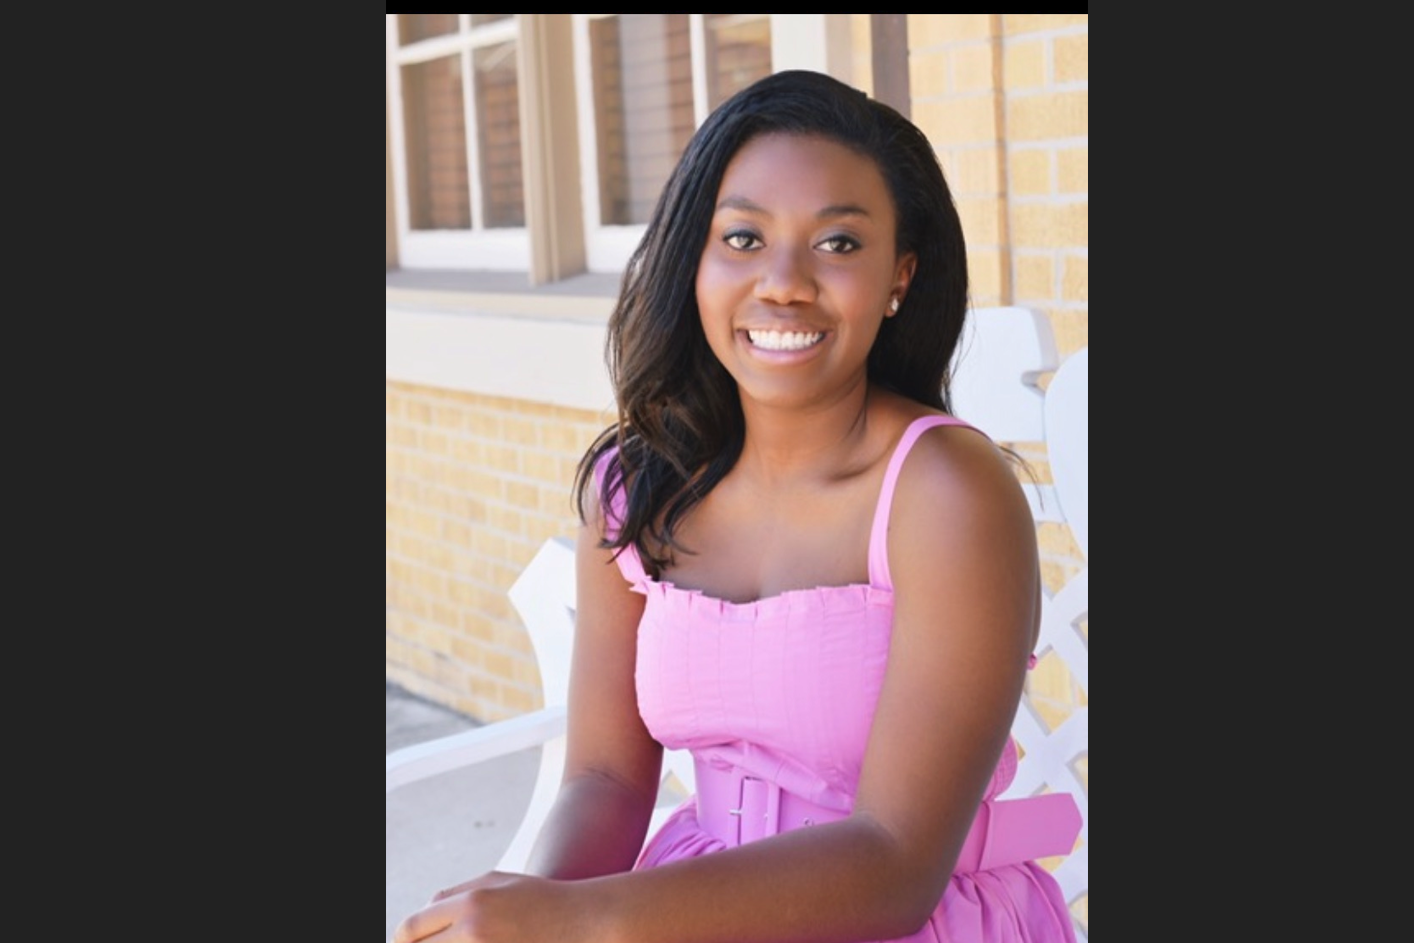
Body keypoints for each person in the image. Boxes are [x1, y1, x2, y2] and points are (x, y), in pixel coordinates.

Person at [393, 68, 1080, 943]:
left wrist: (582, 918)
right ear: (695, 258)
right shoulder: (638, 490)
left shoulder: (945, 493)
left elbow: (897, 861)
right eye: (744, 237)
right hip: (683, 907)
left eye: (838, 243)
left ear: (899, 277)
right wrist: (529, 914)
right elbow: (605, 778)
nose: (783, 282)